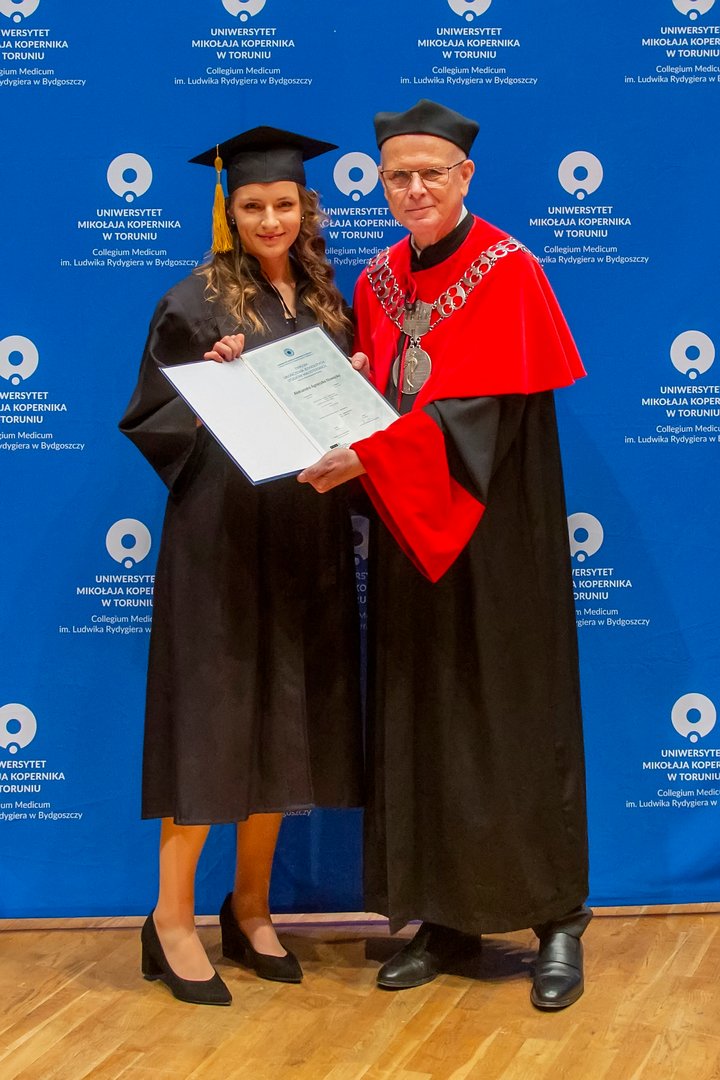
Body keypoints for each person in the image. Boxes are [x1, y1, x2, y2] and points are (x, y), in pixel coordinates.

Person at [297, 99, 591, 1010]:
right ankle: (447, 917)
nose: (414, 188)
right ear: (379, 183)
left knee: (512, 715)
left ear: (466, 175)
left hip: (499, 537)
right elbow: (378, 396)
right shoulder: (379, 279)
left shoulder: (510, 269)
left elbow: (483, 417)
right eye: (398, 176)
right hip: (410, 535)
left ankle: (555, 920)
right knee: (423, 716)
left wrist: (374, 451)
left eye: (432, 173)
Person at [119, 126, 364, 1007]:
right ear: (231, 210)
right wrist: (208, 387)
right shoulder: (194, 302)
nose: (270, 219)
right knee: (213, 723)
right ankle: (171, 919)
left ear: (306, 208)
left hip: (304, 536)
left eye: (284, 204)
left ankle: (250, 905)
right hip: (220, 539)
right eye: (253, 205)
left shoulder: (327, 301)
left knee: (285, 722)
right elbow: (153, 418)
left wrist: (357, 387)